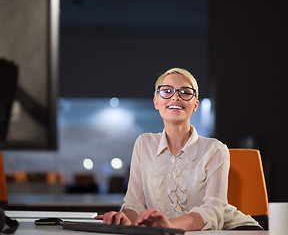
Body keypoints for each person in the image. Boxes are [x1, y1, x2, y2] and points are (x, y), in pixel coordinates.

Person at [95, 68, 261, 231]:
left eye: (185, 92)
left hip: (234, 230)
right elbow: (135, 204)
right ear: (156, 102)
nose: (176, 96)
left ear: (195, 104)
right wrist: (124, 220)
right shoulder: (143, 144)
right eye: (166, 91)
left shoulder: (215, 149)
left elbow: (212, 211)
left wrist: (169, 226)